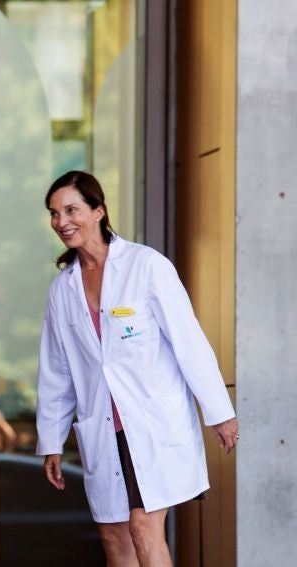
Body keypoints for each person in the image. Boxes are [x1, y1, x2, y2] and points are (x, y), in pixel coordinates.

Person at [35, 170, 239, 566]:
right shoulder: (63, 289)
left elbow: (188, 342)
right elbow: (56, 371)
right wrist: (51, 441)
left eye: (71, 209)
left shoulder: (145, 266)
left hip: (151, 423)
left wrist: (220, 413)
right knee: (114, 539)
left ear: (99, 211)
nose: (62, 222)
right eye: (54, 213)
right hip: (103, 428)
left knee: (144, 526)